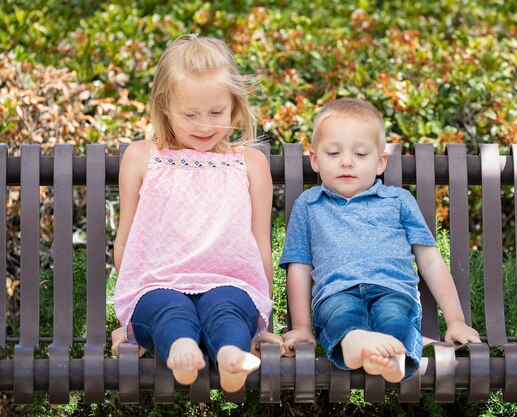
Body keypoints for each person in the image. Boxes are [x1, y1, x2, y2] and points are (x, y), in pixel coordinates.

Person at [111, 34, 283, 392]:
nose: (204, 125)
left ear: (234, 105)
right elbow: (125, 241)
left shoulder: (249, 163)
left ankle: (232, 355)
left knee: (228, 309)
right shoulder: (143, 157)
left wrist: (265, 324)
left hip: (230, 283)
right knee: (168, 311)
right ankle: (181, 349)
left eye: (216, 112)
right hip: (158, 284)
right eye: (189, 115)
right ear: (163, 106)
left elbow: (259, 247)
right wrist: (130, 316)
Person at [280, 98, 480, 382]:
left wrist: (456, 321)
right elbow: (298, 267)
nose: (346, 161)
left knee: (396, 317)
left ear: (380, 162)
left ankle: (391, 358)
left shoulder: (398, 200)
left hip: (393, 288)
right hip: (337, 291)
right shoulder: (309, 205)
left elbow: (430, 260)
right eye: (334, 152)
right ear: (315, 160)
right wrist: (302, 327)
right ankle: (354, 342)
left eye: (361, 154)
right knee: (340, 314)